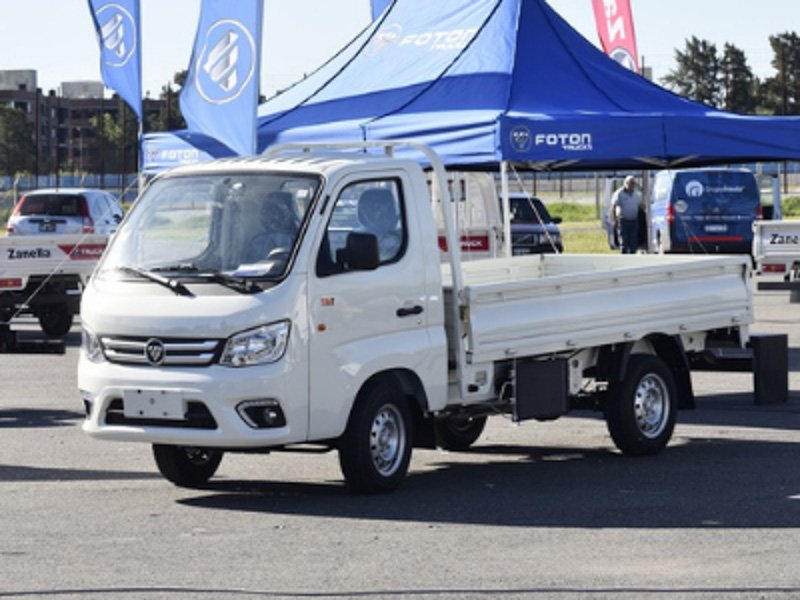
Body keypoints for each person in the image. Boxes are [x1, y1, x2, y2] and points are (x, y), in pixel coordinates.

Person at [610, 175, 643, 254]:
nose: (632, 185)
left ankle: (632, 256)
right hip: (623, 220)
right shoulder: (619, 193)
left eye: (633, 183)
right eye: (630, 183)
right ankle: (624, 256)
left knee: (633, 242)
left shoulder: (636, 194)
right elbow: (613, 207)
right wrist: (614, 220)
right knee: (624, 241)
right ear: (625, 183)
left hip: (634, 221)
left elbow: (641, 205)